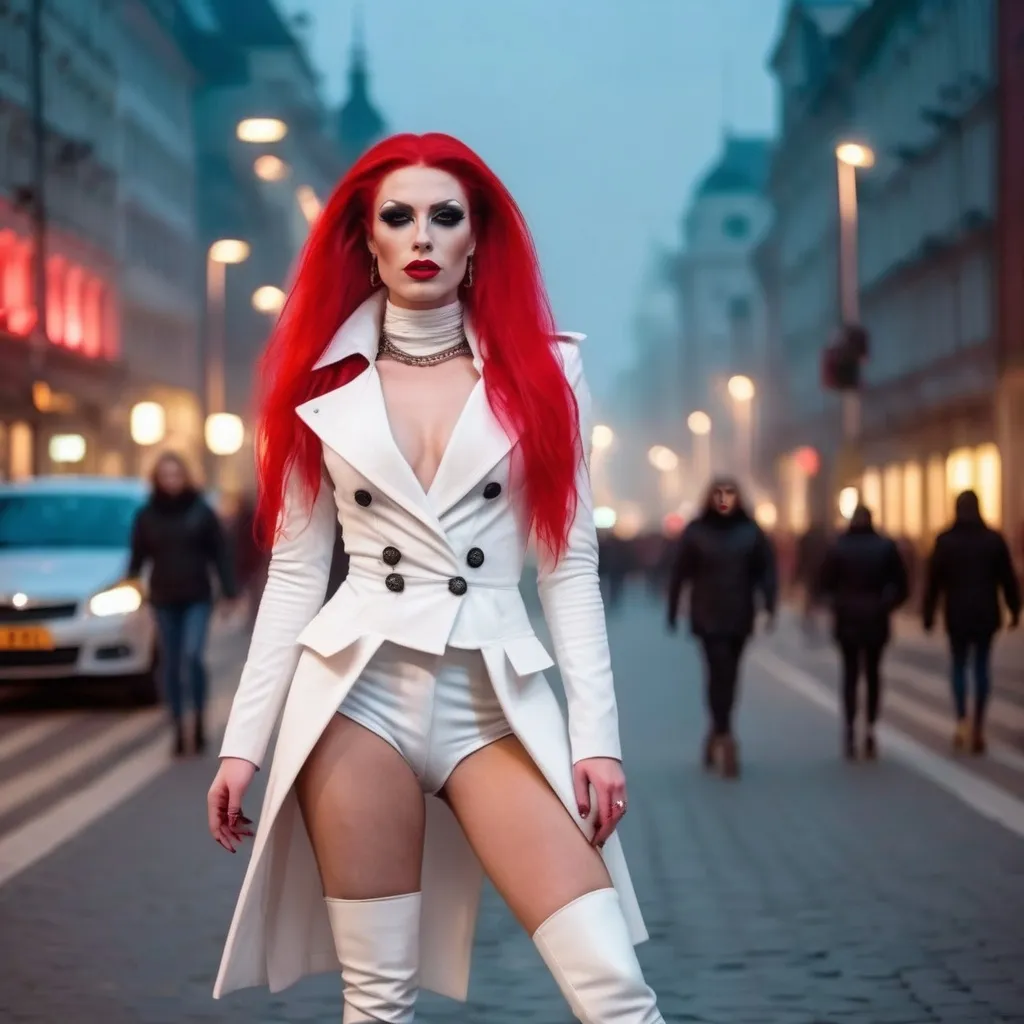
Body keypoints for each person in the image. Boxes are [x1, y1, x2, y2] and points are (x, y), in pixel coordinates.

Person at [206, 134, 663, 1023]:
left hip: (491, 697)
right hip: (353, 696)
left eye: (445, 216)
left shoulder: (549, 370)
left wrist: (595, 739)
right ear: (366, 240)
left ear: (476, 239)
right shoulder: (316, 381)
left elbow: (568, 566)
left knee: (612, 985)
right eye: (398, 216)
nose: (422, 235)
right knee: (377, 999)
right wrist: (242, 745)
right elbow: (296, 576)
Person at [665, 476, 777, 778]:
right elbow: (680, 572)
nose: (724, 499)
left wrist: (770, 604)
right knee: (716, 671)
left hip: (739, 614)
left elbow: (766, 570)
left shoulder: (751, 532)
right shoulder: (697, 532)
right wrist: (673, 609)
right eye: (719, 494)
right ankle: (724, 733)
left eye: (730, 494)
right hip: (707, 614)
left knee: (730, 674)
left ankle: (719, 729)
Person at [129, 452, 237, 755]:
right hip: (163, 598)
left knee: (192, 657)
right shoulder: (147, 514)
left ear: (185, 476)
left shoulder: (202, 512)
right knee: (171, 663)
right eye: (166, 475)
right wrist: (132, 586)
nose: (171, 481)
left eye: (176, 474)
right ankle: (178, 725)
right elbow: (137, 559)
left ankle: (199, 720)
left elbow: (221, 553)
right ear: (157, 479)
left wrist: (229, 592)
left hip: (197, 596)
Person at [923, 490, 1021, 754]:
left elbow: (934, 581)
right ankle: (979, 723)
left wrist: (929, 614)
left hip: (956, 613)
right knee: (981, 666)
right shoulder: (993, 540)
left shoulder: (945, 541)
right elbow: (1007, 577)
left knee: (958, 665)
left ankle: (961, 720)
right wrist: (1014, 608)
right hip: (986, 612)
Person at [816, 505, 908, 760]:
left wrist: (837, 603)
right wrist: (886, 604)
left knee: (850, 674)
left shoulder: (838, 547)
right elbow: (901, 585)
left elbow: (824, 584)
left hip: (847, 619)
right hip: (876, 618)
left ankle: (848, 728)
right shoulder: (886, 547)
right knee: (874, 673)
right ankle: (870, 727)